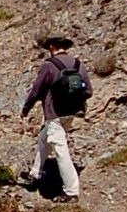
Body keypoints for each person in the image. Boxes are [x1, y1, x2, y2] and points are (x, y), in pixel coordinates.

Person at [20, 35, 91, 201]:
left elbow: (36, 90)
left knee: (60, 150)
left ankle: (71, 191)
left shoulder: (49, 65)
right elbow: (89, 91)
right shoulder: (78, 64)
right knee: (44, 139)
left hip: (54, 113)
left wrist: (26, 109)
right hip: (72, 112)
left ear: (52, 47)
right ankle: (35, 173)